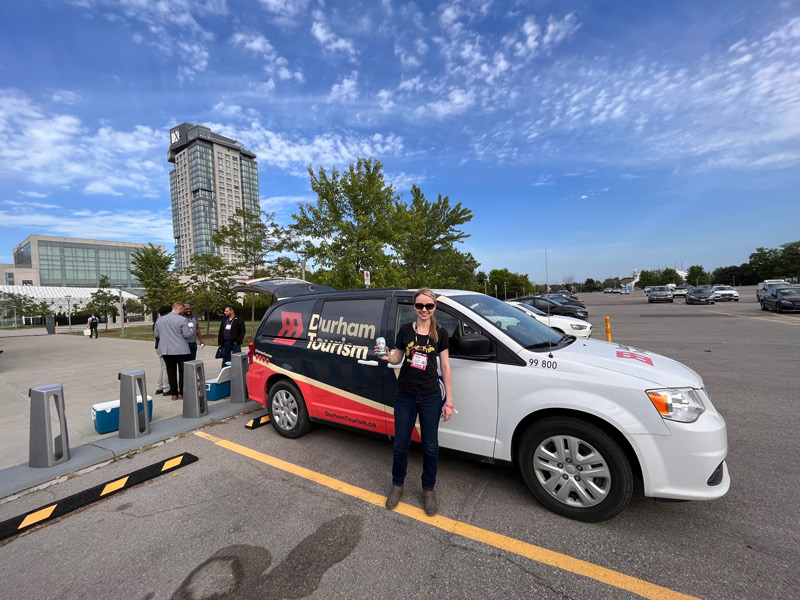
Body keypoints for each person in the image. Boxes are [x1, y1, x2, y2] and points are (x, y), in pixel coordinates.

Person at [378, 288, 453, 516]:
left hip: (430, 396)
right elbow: (398, 357)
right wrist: (386, 357)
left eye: (428, 306)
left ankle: (428, 489)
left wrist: (448, 401)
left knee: (430, 446)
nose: (424, 310)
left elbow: (446, 367)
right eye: (420, 305)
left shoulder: (440, 333)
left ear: (434, 308)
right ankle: (397, 485)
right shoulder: (404, 331)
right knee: (400, 443)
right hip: (405, 395)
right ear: (414, 307)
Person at [153, 301, 195, 400]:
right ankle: (182, 393)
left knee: (170, 371)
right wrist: (192, 331)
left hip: (166, 350)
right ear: (180, 309)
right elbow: (187, 335)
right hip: (181, 349)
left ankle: (174, 394)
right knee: (182, 371)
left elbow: (156, 334)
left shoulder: (160, 320)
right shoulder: (182, 320)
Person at [153, 305, 172, 394]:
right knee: (166, 368)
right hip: (164, 347)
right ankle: (166, 388)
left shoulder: (157, 321)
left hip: (158, 346)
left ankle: (159, 387)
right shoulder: (164, 321)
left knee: (162, 367)